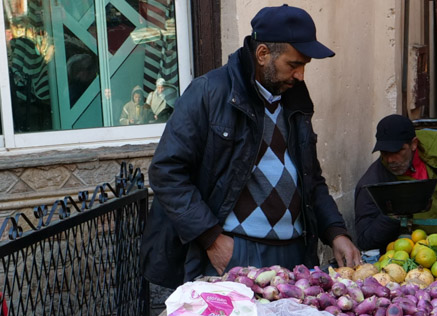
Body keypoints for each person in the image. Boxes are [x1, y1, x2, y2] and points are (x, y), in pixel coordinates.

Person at [141, 4, 361, 287]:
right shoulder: (209, 92)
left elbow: (311, 178)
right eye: (294, 65)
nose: (301, 75)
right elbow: (166, 172)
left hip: (295, 252)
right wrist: (211, 238)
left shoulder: (296, 99)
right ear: (263, 54)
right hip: (237, 249)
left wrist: (335, 232)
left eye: (304, 65)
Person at [353, 115, 437, 251]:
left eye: (397, 151)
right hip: (409, 254)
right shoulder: (372, 183)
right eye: (385, 153)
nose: (390, 160)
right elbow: (365, 241)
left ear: (414, 144)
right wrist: (390, 216)